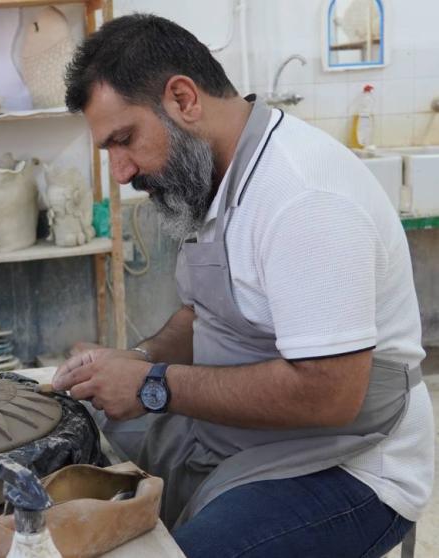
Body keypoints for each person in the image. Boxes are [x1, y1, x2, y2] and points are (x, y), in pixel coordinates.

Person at [53, 14, 433, 558]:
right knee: (77, 436)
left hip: (350, 462)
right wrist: (136, 358)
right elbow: (203, 316)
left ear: (183, 99)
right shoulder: (215, 176)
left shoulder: (302, 196)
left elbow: (329, 394)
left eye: (125, 140)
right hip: (239, 434)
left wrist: (151, 385)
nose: (120, 172)